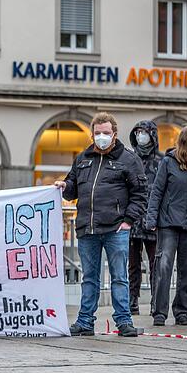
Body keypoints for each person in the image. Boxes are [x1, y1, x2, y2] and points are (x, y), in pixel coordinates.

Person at [55, 112, 146, 338]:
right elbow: (72, 189)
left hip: (116, 229)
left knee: (119, 277)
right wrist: (63, 186)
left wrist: (128, 222)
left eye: (106, 133)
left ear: (114, 134)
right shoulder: (82, 158)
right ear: (91, 133)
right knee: (89, 278)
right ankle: (85, 321)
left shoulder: (129, 159)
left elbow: (140, 194)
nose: (101, 137)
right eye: (98, 133)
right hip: (87, 228)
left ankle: (124, 321)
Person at [145, 125, 187, 327]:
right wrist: (151, 219)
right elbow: (157, 193)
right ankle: (159, 312)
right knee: (164, 267)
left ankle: (181, 311)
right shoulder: (168, 162)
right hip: (168, 224)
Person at [128, 120, 163, 315]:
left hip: (153, 221)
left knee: (155, 264)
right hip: (132, 220)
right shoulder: (130, 159)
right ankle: (132, 300)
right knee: (132, 264)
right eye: (138, 132)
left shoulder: (161, 161)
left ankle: (155, 302)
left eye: (144, 132)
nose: (141, 136)